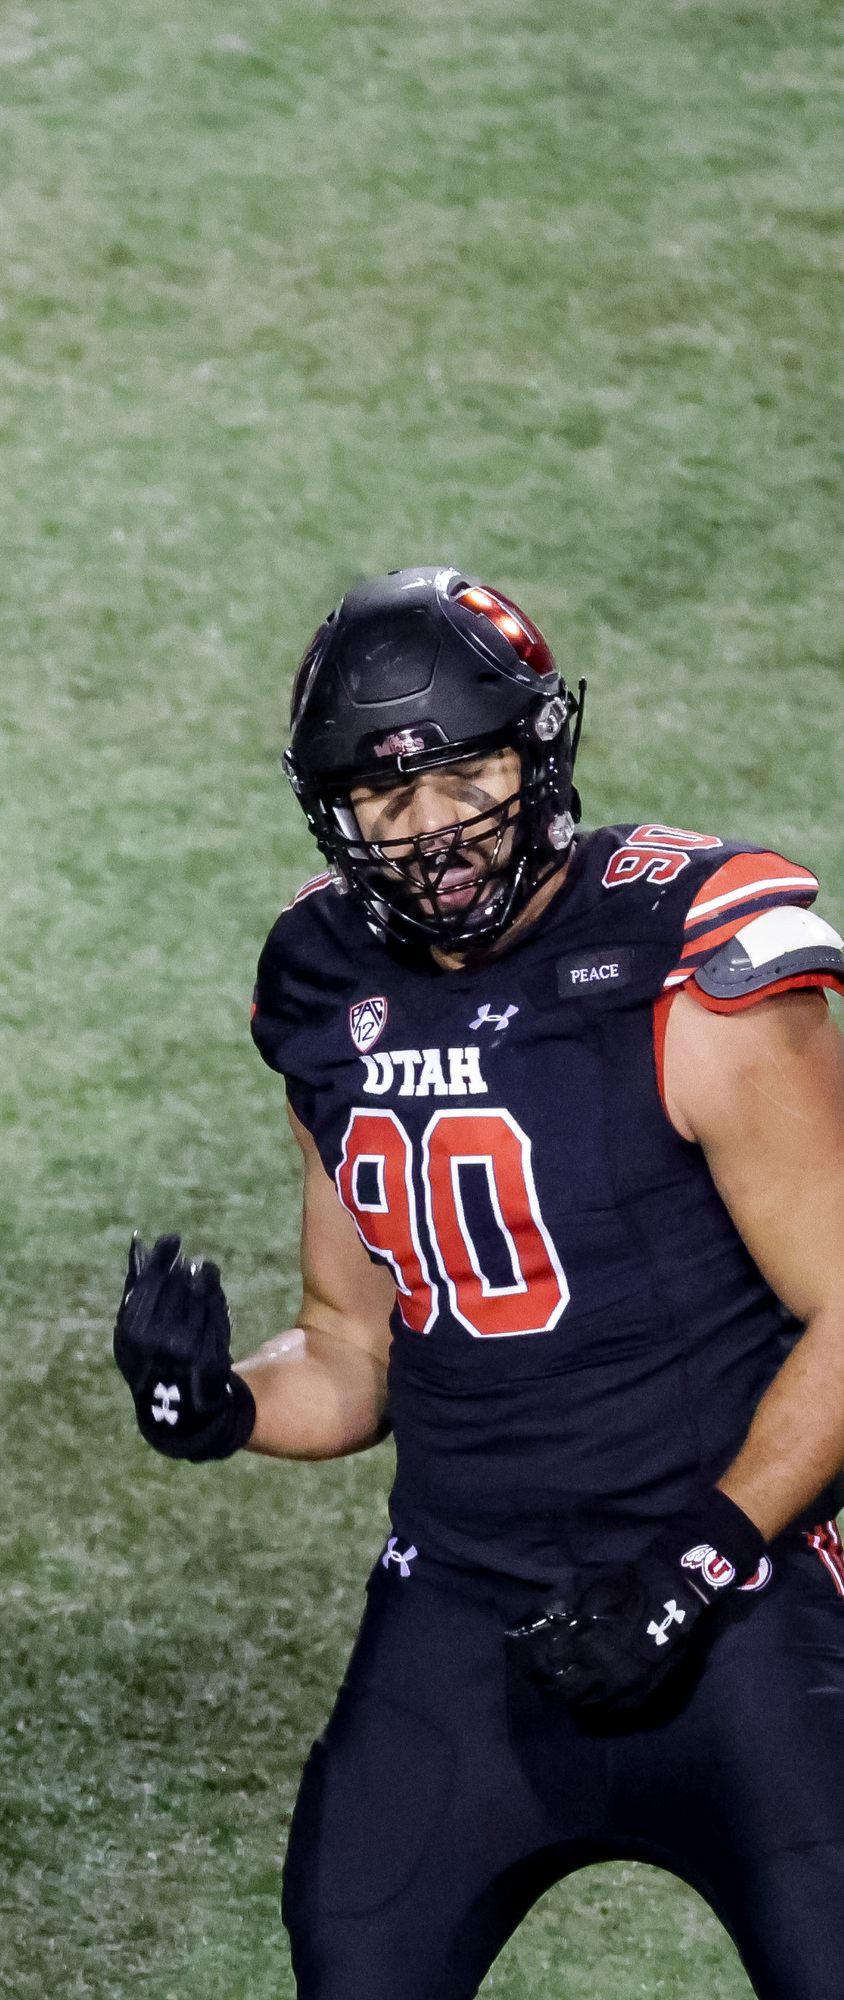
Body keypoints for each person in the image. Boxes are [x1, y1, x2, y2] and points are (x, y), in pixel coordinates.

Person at [113, 566, 844, 1998]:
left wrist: (698, 1563)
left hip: (742, 1592)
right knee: (356, 1954)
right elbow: (347, 1353)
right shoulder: (323, 979)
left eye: (465, 776)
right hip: (468, 1599)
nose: (431, 832)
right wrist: (218, 1408)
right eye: (385, 800)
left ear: (540, 754)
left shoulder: (693, 963)